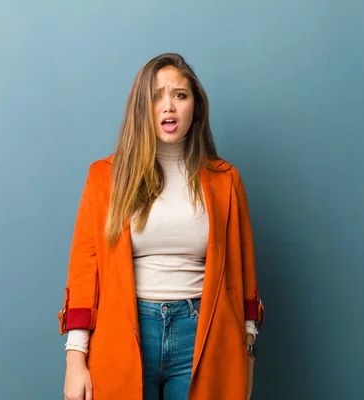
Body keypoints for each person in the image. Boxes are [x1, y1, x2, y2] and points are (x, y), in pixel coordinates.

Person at [58, 53, 265, 400]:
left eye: (180, 95)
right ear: (142, 108)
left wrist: (247, 352)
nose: (168, 106)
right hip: (124, 335)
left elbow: (244, 277)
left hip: (203, 335)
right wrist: (75, 359)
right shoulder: (105, 178)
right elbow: (84, 273)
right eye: (156, 96)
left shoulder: (225, 180)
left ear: (195, 107)